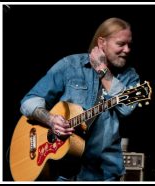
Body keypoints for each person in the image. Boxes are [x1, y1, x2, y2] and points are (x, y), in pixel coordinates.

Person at [20, 17, 140, 181]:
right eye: (121, 44)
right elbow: (29, 101)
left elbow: (126, 109)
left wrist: (102, 70)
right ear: (101, 42)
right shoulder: (70, 65)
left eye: (130, 44)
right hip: (61, 171)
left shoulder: (130, 77)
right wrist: (51, 120)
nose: (127, 50)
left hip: (103, 173)